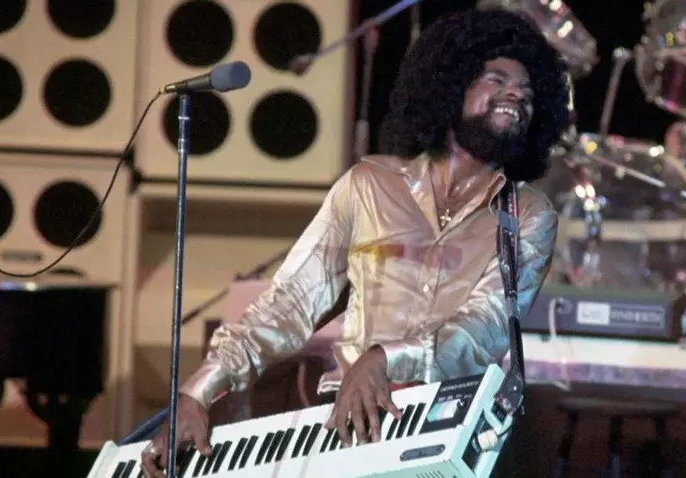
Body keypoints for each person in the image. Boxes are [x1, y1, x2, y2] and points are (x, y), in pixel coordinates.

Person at [141, 7, 570, 477]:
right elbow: (289, 302)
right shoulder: (368, 186)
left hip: (446, 425)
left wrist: (385, 359)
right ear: (452, 86)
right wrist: (197, 392)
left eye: (527, 93)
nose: (515, 94)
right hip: (346, 426)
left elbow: (482, 330)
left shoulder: (527, 215)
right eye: (497, 80)